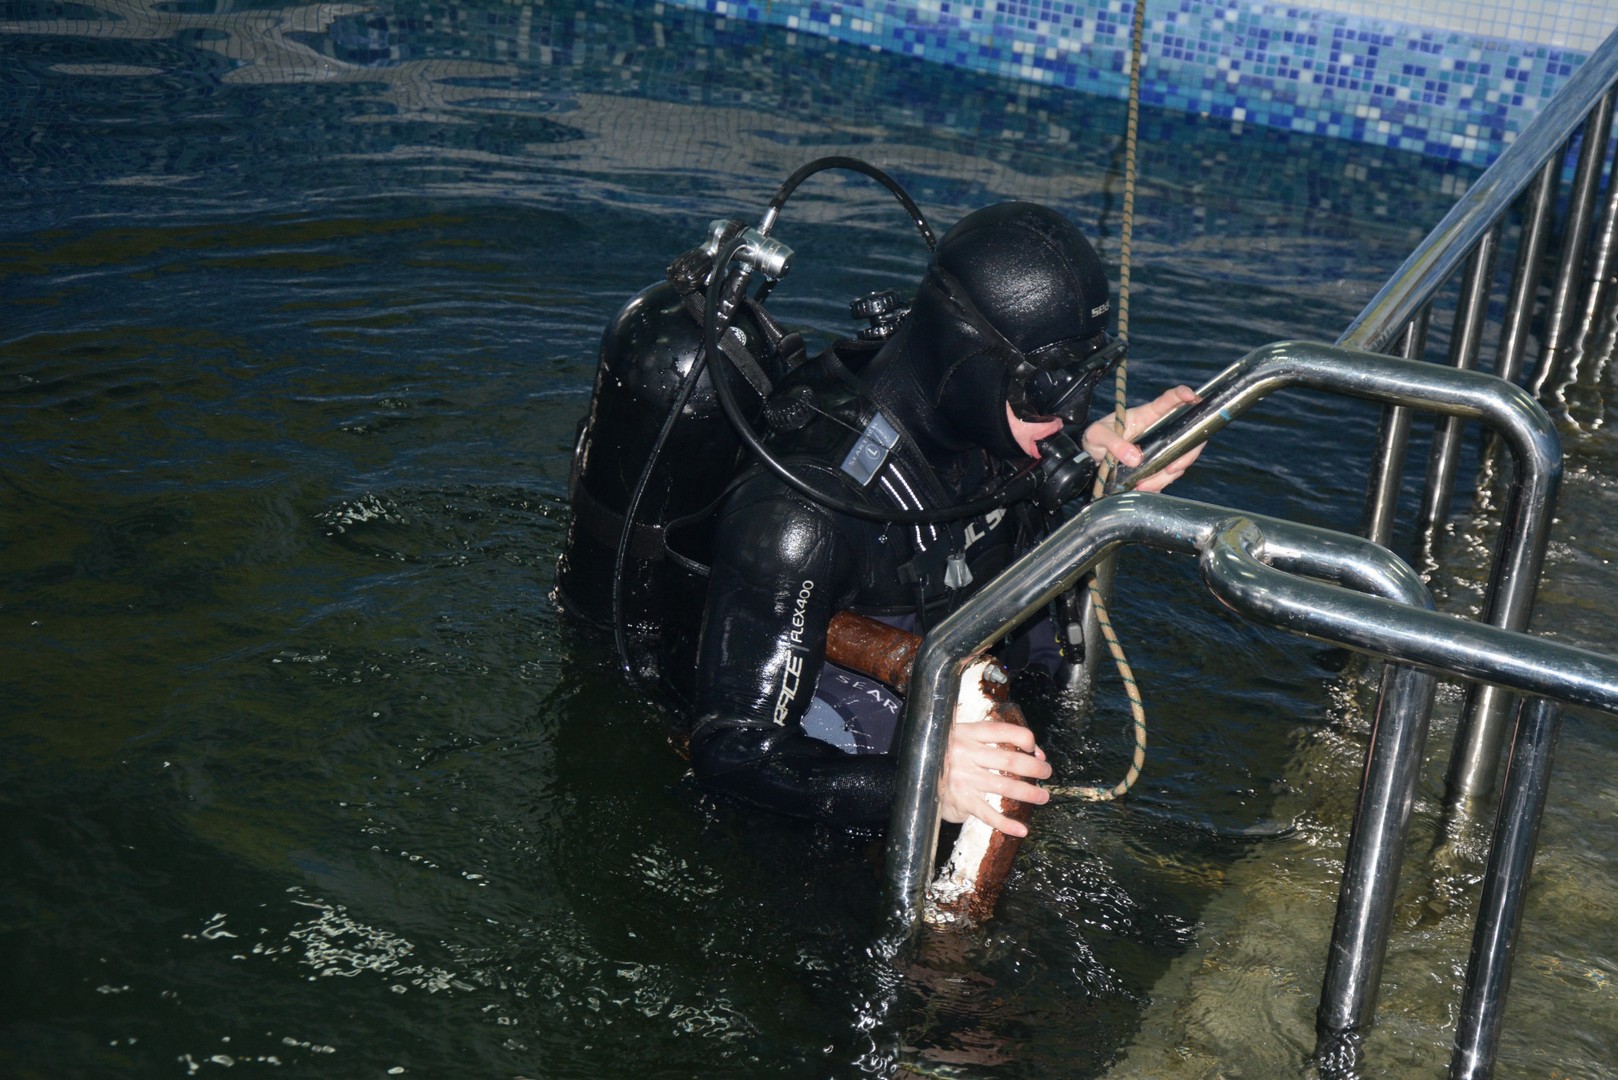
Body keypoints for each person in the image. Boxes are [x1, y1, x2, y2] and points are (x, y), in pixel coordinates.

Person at [684, 200, 1201, 835]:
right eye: (1047, 386)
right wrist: (921, 782)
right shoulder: (801, 514)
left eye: (1086, 375)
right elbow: (733, 753)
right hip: (838, 816)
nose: (1070, 412)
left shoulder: (987, 426)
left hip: (1010, 740)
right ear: (966, 356)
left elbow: (980, 506)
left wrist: (1098, 459)